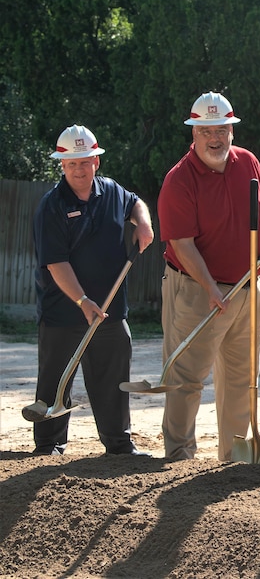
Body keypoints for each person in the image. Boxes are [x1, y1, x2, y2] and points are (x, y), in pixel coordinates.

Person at [157, 91, 260, 461]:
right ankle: (179, 455)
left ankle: (233, 456)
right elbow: (182, 245)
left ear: (231, 130)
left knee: (241, 378)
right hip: (196, 289)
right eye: (206, 131)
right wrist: (212, 289)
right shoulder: (179, 181)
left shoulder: (246, 160)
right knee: (186, 378)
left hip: (249, 287)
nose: (215, 139)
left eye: (221, 130)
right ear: (194, 133)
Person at [31, 124, 154, 456]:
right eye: (71, 163)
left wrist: (143, 222)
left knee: (112, 377)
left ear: (96, 161)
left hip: (110, 309)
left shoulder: (112, 191)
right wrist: (82, 300)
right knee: (56, 378)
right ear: (62, 165)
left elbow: (135, 203)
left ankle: (118, 444)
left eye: (84, 162)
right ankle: (48, 445)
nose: (78, 169)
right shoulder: (52, 206)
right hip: (63, 311)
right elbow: (56, 264)